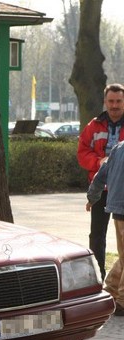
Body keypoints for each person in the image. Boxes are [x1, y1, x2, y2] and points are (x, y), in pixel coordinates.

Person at [78, 83, 124, 281]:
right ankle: (97, 278)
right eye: (111, 101)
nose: (114, 105)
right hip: (101, 187)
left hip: (122, 189)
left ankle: (117, 285)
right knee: (97, 235)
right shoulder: (94, 126)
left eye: (119, 101)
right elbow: (82, 153)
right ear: (105, 102)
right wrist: (98, 162)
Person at [87, 140, 124, 315]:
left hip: (118, 209)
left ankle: (110, 290)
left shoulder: (119, 148)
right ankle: (122, 301)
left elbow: (101, 175)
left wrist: (92, 197)